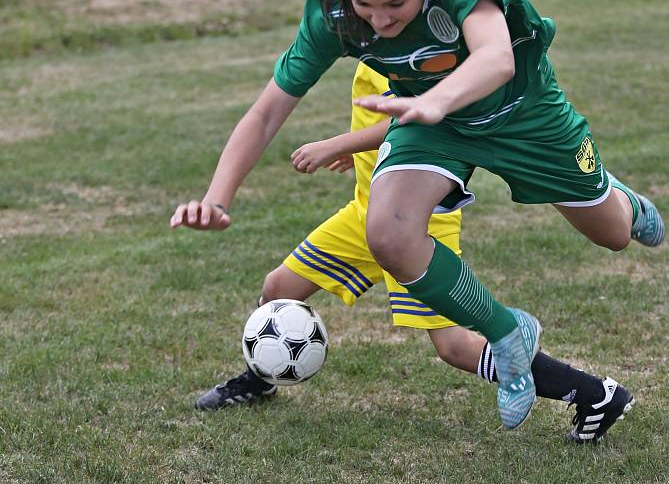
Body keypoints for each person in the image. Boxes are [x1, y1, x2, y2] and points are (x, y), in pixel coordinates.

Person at [170, 0, 664, 430]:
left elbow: (497, 57)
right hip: (432, 124)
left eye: (395, 5)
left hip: (523, 115)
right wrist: (217, 197)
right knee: (385, 232)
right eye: (365, 3)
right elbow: (268, 110)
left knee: (611, 234)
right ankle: (507, 331)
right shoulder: (334, 11)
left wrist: (438, 99)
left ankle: (623, 203)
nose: (378, 20)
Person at [193, 63, 635, 443]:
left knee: (456, 347)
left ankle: (594, 393)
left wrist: (340, 143)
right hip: (364, 212)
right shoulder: (367, 36)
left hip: (418, 223)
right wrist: (362, 147)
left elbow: (418, 120)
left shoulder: (411, 47)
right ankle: (261, 377)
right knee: (278, 289)